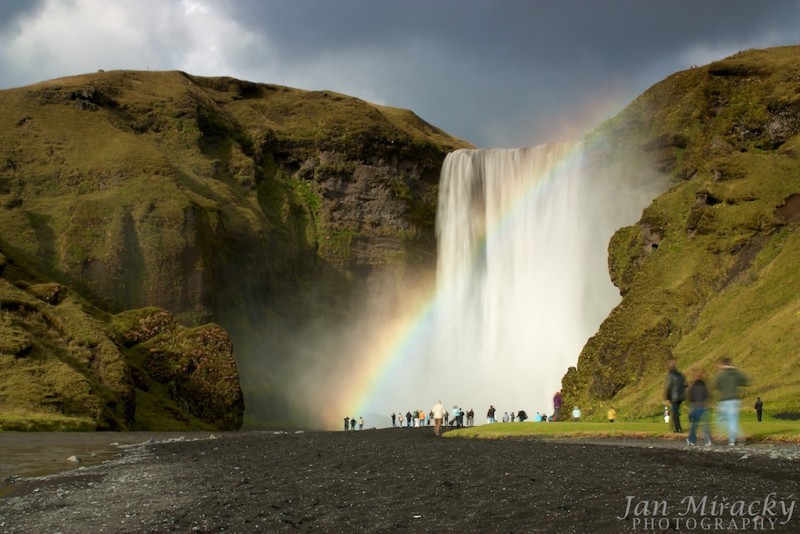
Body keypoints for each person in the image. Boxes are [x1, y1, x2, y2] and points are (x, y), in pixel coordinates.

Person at [715, 356, 749, 446]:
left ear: (722, 364)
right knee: (733, 420)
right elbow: (745, 381)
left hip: (724, 400)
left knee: (720, 419)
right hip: (735, 399)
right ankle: (732, 441)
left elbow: (716, 385)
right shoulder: (736, 372)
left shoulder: (720, 374)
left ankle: (721, 437)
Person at [686, 370, 712, 446]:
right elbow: (706, 395)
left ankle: (692, 440)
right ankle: (707, 441)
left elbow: (691, 397)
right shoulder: (704, 385)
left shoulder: (693, 386)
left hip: (696, 406)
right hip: (704, 406)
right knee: (706, 425)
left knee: (694, 425)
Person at [664, 359, 687, 433]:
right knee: (675, 412)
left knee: (675, 413)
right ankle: (676, 427)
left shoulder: (670, 375)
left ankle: (678, 428)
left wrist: (667, 397)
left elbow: (668, 387)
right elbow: (686, 384)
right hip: (681, 396)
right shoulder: (680, 374)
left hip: (674, 396)